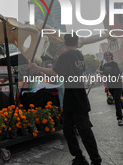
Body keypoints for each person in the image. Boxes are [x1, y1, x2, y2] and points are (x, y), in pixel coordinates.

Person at [28, 33, 101, 165]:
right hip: (75, 96)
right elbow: (71, 67)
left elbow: (56, 73)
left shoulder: (66, 56)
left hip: (75, 96)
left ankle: (95, 160)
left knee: (84, 130)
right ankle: (79, 157)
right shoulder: (78, 55)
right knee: (68, 129)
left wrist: (36, 67)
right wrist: (63, 54)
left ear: (65, 43)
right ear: (76, 42)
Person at [97, 52, 123, 126]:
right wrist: (100, 64)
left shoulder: (114, 64)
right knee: (117, 100)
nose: (106, 56)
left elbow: (114, 72)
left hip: (117, 83)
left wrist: (102, 71)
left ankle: (119, 118)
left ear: (111, 56)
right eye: (105, 55)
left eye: (107, 55)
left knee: (116, 101)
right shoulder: (105, 65)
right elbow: (100, 72)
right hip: (110, 84)